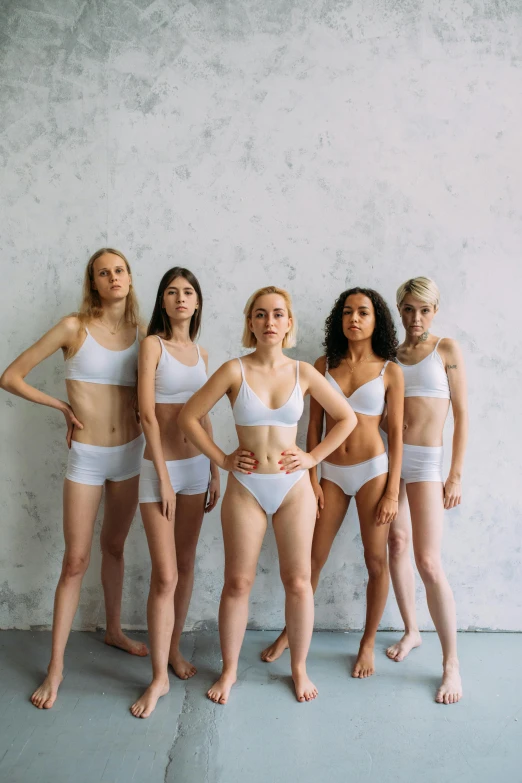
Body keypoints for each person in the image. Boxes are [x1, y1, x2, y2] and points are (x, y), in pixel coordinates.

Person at [179, 286, 357, 704]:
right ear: (250, 323)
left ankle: (298, 669)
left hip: (292, 488)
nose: (270, 322)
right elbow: (189, 416)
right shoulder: (233, 370)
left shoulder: (304, 373)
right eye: (260, 315)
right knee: (237, 582)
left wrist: (312, 457)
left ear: (289, 323)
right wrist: (222, 459)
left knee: (297, 582)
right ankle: (229, 672)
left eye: (278, 314)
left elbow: (347, 418)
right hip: (247, 487)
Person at [0, 248, 148, 710]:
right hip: (86, 457)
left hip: (130, 454)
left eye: (120, 270)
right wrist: (61, 406)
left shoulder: (146, 335)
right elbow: (11, 377)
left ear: (129, 277)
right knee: (75, 560)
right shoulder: (73, 327)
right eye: (103, 272)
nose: (113, 277)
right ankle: (56, 667)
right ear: (94, 282)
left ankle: (114, 630)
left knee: (115, 547)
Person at [261, 288, 403, 678]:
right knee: (311, 560)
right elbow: (313, 428)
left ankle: (367, 642)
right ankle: (291, 633)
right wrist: (313, 479)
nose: (354, 319)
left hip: (374, 470)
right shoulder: (323, 364)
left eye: (363, 312)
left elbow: (398, 438)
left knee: (375, 561)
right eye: (347, 312)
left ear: (377, 321)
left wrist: (392, 490)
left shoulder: (390, 371)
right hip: (331, 476)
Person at [130, 267, 220, 719]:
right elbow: (147, 413)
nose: (180, 298)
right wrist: (163, 476)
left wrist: (215, 469)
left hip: (197, 469)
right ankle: (158, 679)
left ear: (197, 302)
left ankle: (174, 651)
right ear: (162, 302)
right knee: (165, 575)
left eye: (188, 291)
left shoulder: (202, 353)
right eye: (171, 292)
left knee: (185, 565)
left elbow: (202, 415)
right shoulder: (153, 346)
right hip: (158, 471)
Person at [383, 276, 466, 705]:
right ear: (400, 310)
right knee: (396, 544)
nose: (416, 318)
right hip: (393, 463)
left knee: (429, 561)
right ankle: (412, 629)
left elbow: (463, 416)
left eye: (424, 310)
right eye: (409, 309)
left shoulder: (445, 351)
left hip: (429, 466)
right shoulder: (391, 357)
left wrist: (455, 474)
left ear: (435, 310)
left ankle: (451, 663)